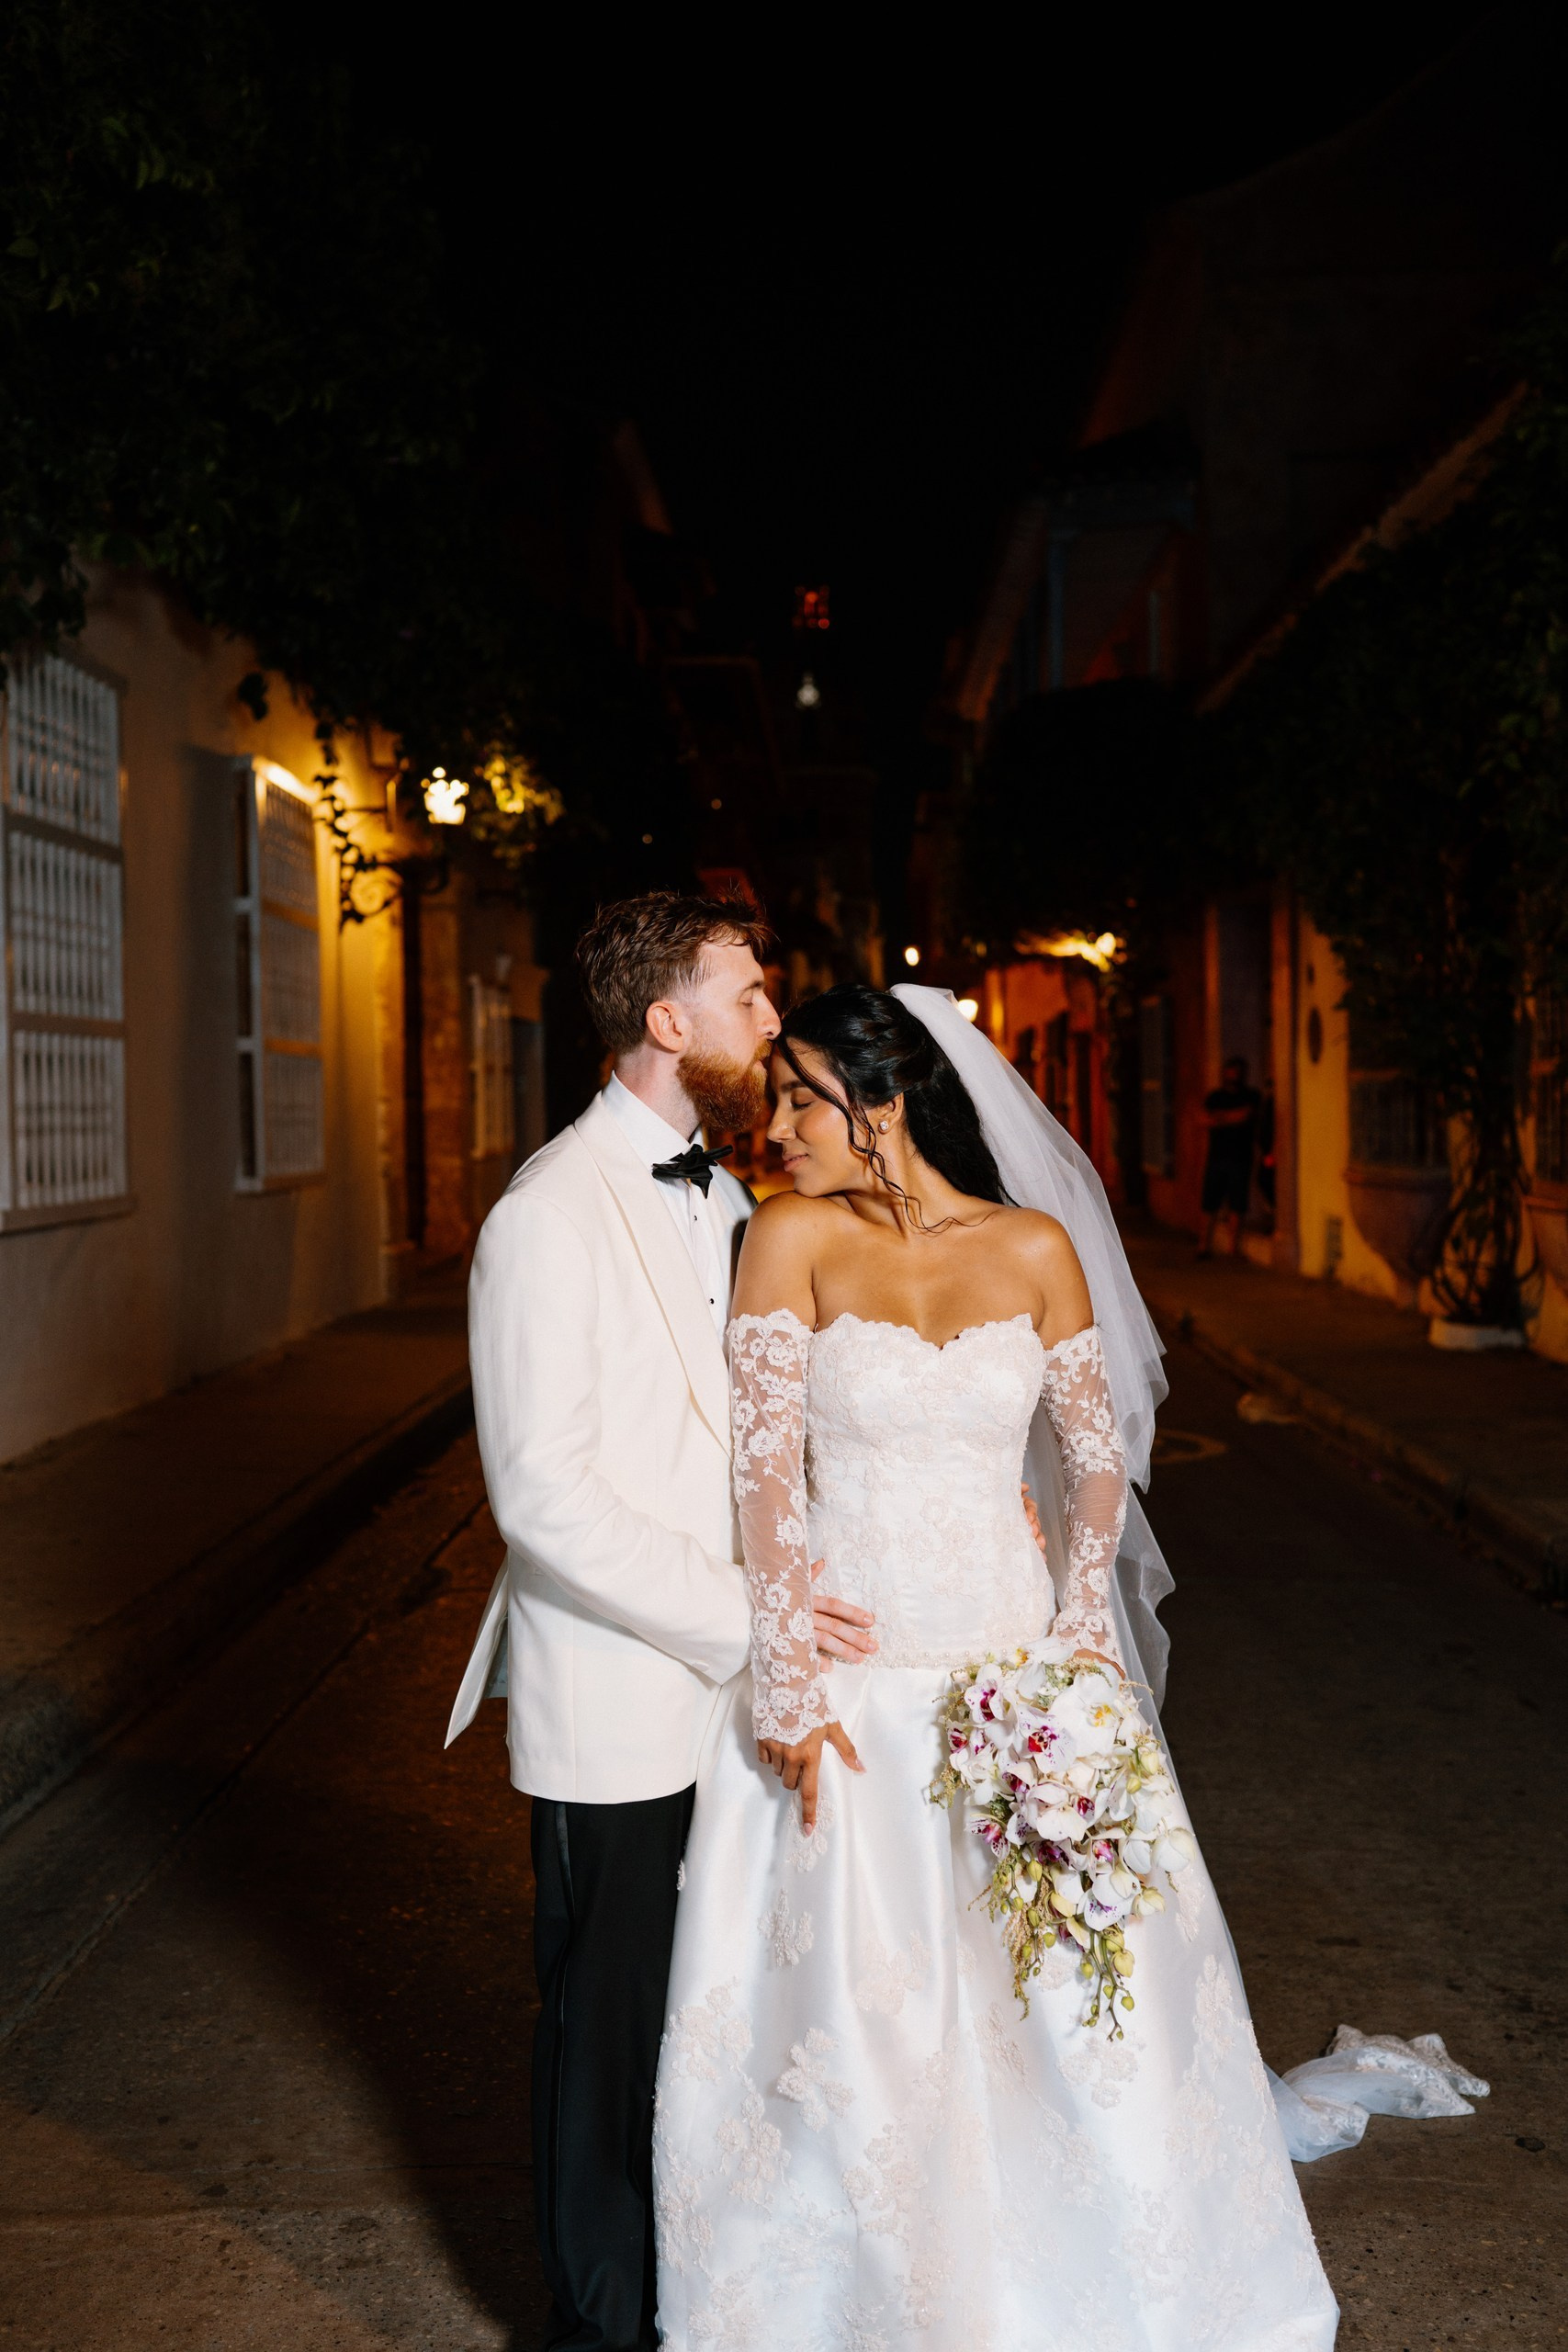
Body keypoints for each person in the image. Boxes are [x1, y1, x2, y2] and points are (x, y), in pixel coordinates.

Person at [652, 983, 1340, 2352]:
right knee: (863, 2020)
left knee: (1063, 2010)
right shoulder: (787, 1239)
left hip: (1015, 1670)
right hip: (854, 1689)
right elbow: (763, 1482)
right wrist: (785, 1674)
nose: (775, 1128)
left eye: (800, 1098)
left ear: (884, 1105)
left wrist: (1079, 1646)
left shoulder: (1032, 1249)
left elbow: (1094, 1464)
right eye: (777, 1097)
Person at [445, 893, 875, 2352]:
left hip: (743, 1696)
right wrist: (754, 1619)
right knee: (606, 2028)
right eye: (746, 996)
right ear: (663, 1022)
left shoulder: (739, 1200)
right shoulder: (543, 1215)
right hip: (622, 1696)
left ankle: (704, 2295)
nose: (771, 1018)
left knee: (726, 2025)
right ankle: (595, 2326)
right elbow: (544, 1503)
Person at [1197, 1053, 1263, 1259]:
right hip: (1216, 1158)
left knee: (1237, 1203)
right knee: (1210, 1203)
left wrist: (1220, 1118)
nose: (1234, 1075)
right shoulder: (1215, 1096)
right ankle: (1203, 1246)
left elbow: (1245, 1116)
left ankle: (1232, 1248)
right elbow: (1202, 1119)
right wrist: (1229, 1117)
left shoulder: (1250, 1095)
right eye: (1231, 1071)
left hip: (1240, 1157)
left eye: (1238, 1072)